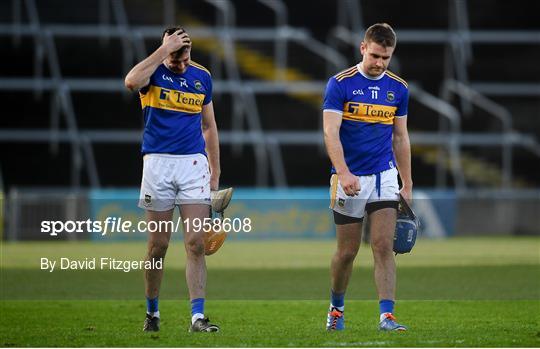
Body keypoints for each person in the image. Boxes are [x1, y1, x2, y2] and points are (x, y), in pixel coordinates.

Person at [124, 26, 221, 333]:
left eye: (185, 56)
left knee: (195, 244)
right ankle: (152, 313)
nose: (181, 63)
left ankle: (197, 317)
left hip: (193, 165)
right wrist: (163, 51)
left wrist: (215, 171)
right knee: (158, 246)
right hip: (157, 164)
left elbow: (209, 126)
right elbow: (130, 82)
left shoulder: (201, 76)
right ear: (166, 49)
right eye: (175, 56)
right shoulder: (151, 72)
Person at [322, 23, 412, 331]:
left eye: (385, 58)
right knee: (347, 252)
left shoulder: (398, 88)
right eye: (374, 55)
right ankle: (336, 309)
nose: (379, 63)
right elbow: (330, 132)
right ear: (363, 48)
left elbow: (400, 137)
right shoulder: (340, 84)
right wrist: (343, 172)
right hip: (350, 178)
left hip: (384, 176)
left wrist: (407, 182)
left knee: (383, 247)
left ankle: (387, 316)